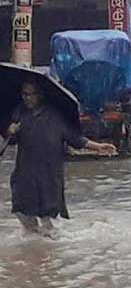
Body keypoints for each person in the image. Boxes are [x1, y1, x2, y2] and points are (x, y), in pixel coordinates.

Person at [6, 83, 117, 238]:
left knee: (49, 220)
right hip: (25, 174)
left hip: (49, 175)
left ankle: (51, 252)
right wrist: (10, 131)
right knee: (22, 212)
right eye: (24, 94)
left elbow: (75, 139)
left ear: (40, 95)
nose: (28, 98)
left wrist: (98, 146)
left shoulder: (55, 116)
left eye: (31, 94)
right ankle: (34, 247)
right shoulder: (19, 114)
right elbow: (10, 141)